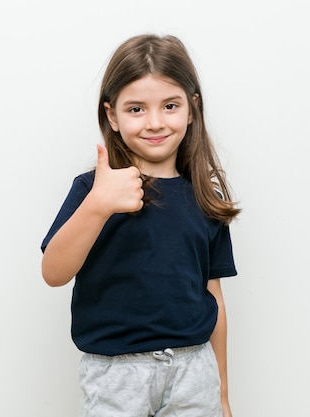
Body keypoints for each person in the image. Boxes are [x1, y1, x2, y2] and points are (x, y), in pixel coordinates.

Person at [41, 33, 241, 417]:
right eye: (135, 109)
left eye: (169, 105)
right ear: (112, 115)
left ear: (191, 108)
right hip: (116, 374)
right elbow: (53, 272)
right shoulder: (92, 190)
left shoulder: (203, 195)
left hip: (194, 371)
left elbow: (212, 296)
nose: (154, 122)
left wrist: (223, 393)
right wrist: (98, 206)